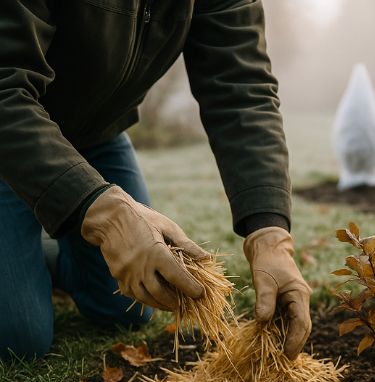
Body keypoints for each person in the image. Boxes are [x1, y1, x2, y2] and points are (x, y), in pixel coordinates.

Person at [0, 1, 311, 360]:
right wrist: (106, 215)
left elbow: (241, 87)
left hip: (96, 134)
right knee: (18, 337)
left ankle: (41, 255)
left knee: (130, 305)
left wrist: (270, 235)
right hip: (11, 131)